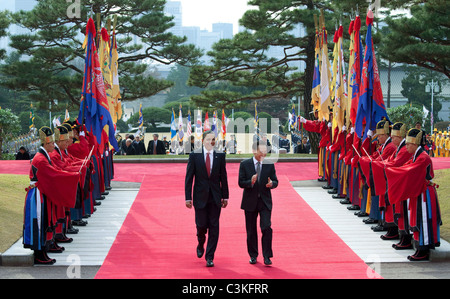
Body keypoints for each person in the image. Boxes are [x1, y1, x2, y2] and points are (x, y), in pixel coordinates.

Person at [385, 128, 442, 261]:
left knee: (423, 220)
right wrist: (391, 168)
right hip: (419, 191)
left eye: (409, 144)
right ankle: (419, 248)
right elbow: (406, 166)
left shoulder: (423, 157)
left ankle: (423, 249)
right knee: (417, 219)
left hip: (425, 194)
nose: (406, 146)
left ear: (415, 144)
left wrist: (392, 171)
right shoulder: (417, 156)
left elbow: (409, 170)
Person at [184, 130, 229, 267]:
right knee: (201, 225)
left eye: (214, 139)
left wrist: (225, 196)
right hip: (199, 197)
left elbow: (223, 177)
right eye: (209, 139)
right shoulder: (194, 155)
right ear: (203, 141)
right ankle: (200, 242)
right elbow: (189, 177)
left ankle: (210, 256)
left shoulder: (220, 156)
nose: (212, 142)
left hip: (215, 197)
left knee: (214, 227)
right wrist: (188, 197)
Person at [238, 141, 278, 266]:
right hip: (250, 201)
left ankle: (267, 256)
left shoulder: (269, 165)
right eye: (261, 151)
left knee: (266, 227)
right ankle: (253, 255)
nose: (264, 153)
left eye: (265, 151)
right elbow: (240, 182)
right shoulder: (245, 164)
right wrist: (250, 182)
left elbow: (276, 181)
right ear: (254, 151)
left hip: (265, 202)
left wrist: (272, 184)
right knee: (251, 230)